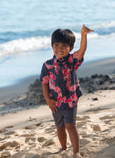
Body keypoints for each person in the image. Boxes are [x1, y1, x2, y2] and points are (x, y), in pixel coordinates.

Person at [40, 24, 94, 158]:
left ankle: (76, 152)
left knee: (70, 126)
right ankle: (63, 148)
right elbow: (44, 83)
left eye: (64, 46)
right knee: (59, 127)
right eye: (56, 45)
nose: (60, 49)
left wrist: (84, 35)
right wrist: (48, 100)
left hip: (70, 100)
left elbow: (82, 51)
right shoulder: (47, 65)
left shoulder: (72, 60)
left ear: (70, 48)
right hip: (55, 102)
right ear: (52, 46)